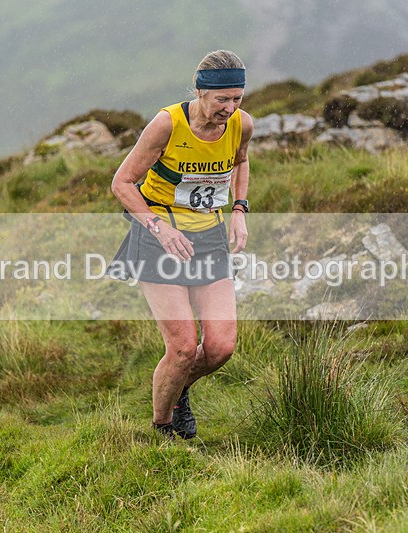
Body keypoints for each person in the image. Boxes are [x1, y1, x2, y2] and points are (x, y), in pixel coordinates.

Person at [109, 50, 253, 440]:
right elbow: (122, 184)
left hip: (208, 239)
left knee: (221, 347)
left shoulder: (242, 124)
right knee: (184, 347)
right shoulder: (167, 124)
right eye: (222, 99)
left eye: (237, 98)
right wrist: (158, 226)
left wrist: (238, 209)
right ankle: (162, 427)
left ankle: (178, 389)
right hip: (159, 241)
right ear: (200, 91)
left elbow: (240, 163)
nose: (230, 108)